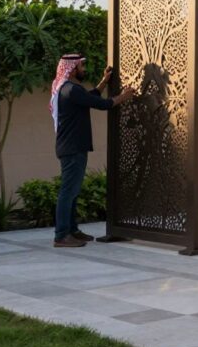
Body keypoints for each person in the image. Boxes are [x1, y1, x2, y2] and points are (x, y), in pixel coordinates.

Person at [50, 54, 135, 248]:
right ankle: (61, 235)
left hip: (71, 147)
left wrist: (104, 82)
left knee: (72, 191)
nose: (84, 69)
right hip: (73, 148)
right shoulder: (71, 90)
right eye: (81, 66)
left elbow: (91, 97)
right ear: (72, 68)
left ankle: (72, 230)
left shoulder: (67, 89)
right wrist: (124, 97)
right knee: (68, 191)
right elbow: (102, 104)